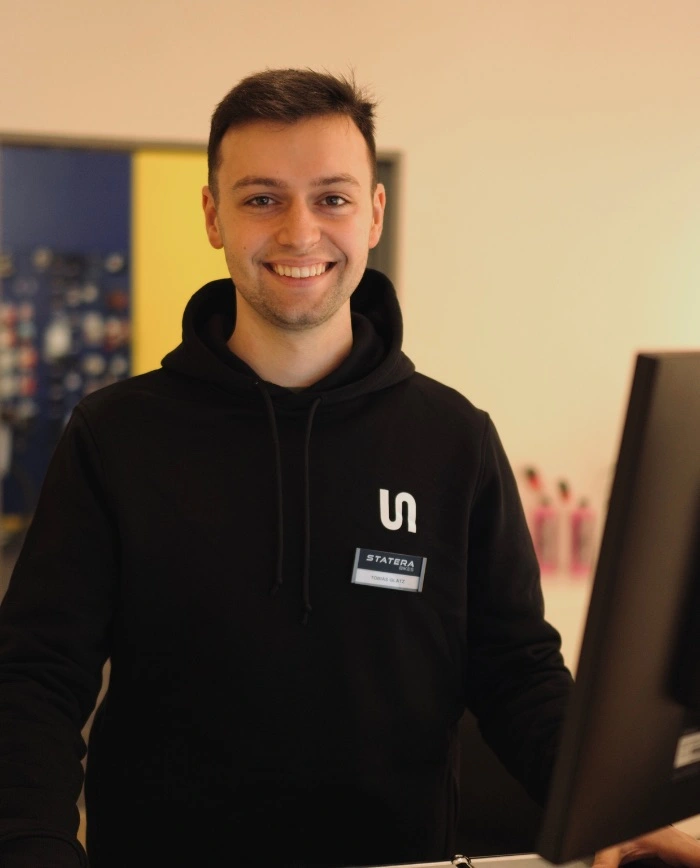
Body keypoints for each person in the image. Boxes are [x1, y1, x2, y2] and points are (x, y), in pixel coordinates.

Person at [0, 68, 698, 868]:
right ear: (213, 215)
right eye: (262, 198)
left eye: (331, 198)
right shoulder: (116, 435)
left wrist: (609, 816)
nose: (300, 232)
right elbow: (36, 678)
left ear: (374, 213)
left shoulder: (454, 439)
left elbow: (518, 673)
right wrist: (31, 846)